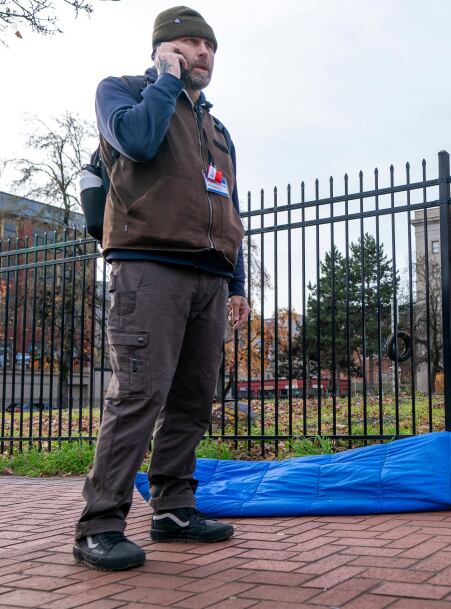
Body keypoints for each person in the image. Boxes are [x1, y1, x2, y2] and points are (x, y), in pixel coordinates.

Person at [73, 6, 250, 571]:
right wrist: (166, 81)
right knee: (139, 394)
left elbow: (226, 204)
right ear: (164, 49)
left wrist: (236, 281)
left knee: (194, 397)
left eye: (209, 46)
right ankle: (99, 524)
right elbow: (137, 143)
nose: (203, 53)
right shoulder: (121, 91)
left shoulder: (219, 131)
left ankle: (174, 508)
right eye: (190, 43)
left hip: (210, 274)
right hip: (147, 264)